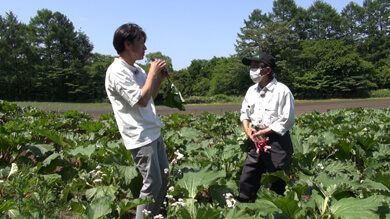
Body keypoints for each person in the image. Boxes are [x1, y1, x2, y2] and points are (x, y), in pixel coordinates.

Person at [105, 23, 169, 218]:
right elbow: (140, 100)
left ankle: (153, 215)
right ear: (128, 44)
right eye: (142, 42)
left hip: (153, 131)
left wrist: (158, 79)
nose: (145, 48)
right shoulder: (116, 71)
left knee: (163, 179)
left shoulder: (137, 70)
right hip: (139, 135)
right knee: (152, 183)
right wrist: (151, 72)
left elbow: (150, 96)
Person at [237, 52, 295, 202]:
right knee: (248, 176)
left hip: (277, 141)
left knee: (276, 180)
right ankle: (245, 207)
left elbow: (287, 119)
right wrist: (247, 128)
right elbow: (245, 112)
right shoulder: (251, 91)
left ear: (267, 70)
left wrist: (266, 131)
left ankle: (275, 211)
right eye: (251, 67)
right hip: (257, 139)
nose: (252, 70)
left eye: (256, 67)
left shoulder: (282, 91)